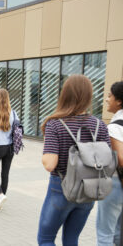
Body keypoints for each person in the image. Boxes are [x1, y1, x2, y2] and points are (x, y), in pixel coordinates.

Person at [37, 75, 110, 245]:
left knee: (45, 239)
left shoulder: (55, 124)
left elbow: (50, 164)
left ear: (65, 95)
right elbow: (107, 161)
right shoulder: (99, 125)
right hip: (89, 190)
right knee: (71, 239)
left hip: (61, 188)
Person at [96, 81, 123, 246]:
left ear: (119, 101)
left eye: (109, 96)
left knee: (105, 234)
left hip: (115, 183)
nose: (107, 99)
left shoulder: (115, 127)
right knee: (119, 233)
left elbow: (120, 158)